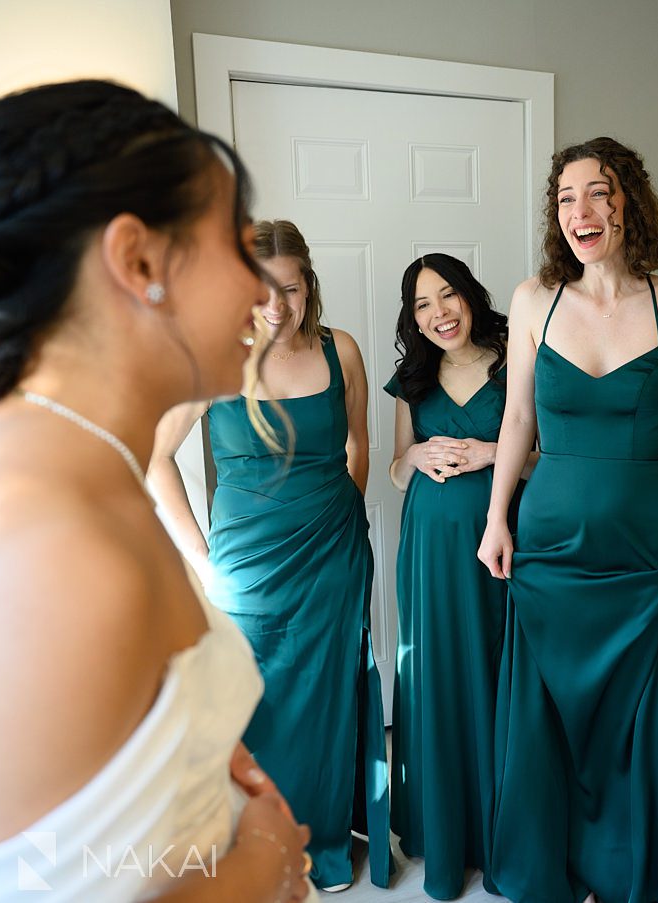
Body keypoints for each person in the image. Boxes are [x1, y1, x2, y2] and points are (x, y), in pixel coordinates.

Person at [0, 80, 313, 900]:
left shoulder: (94, 466)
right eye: (238, 246)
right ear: (138, 261)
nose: (262, 291)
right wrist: (260, 863)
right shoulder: (48, 542)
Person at [476, 137, 658, 903]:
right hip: (548, 543)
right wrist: (495, 520)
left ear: (629, 202)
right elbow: (517, 420)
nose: (581, 211)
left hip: (644, 547)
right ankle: (555, 868)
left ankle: (628, 870)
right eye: (567, 197)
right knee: (550, 712)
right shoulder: (531, 299)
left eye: (598, 193)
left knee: (633, 720)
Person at [150, 220, 391, 893]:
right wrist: (202, 557)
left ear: (310, 284)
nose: (278, 306)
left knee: (327, 696)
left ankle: (327, 842)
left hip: (334, 554)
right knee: (253, 703)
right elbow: (154, 454)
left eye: (291, 288)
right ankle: (252, 844)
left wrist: (342, 517)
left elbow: (358, 446)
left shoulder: (340, 350)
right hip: (247, 566)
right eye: (262, 291)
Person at [385, 253, 533, 900]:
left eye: (447, 296)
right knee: (437, 678)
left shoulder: (513, 358)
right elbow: (393, 471)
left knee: (499, 676)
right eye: (422, 304)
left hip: (500, 546)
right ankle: (443, 832)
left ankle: (502, 833)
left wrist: (490, 451)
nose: (438, 313)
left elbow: (548, 452)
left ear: (470, 296)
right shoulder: (412, 378)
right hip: (428, 553)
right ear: (412, 317)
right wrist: (413, 454)